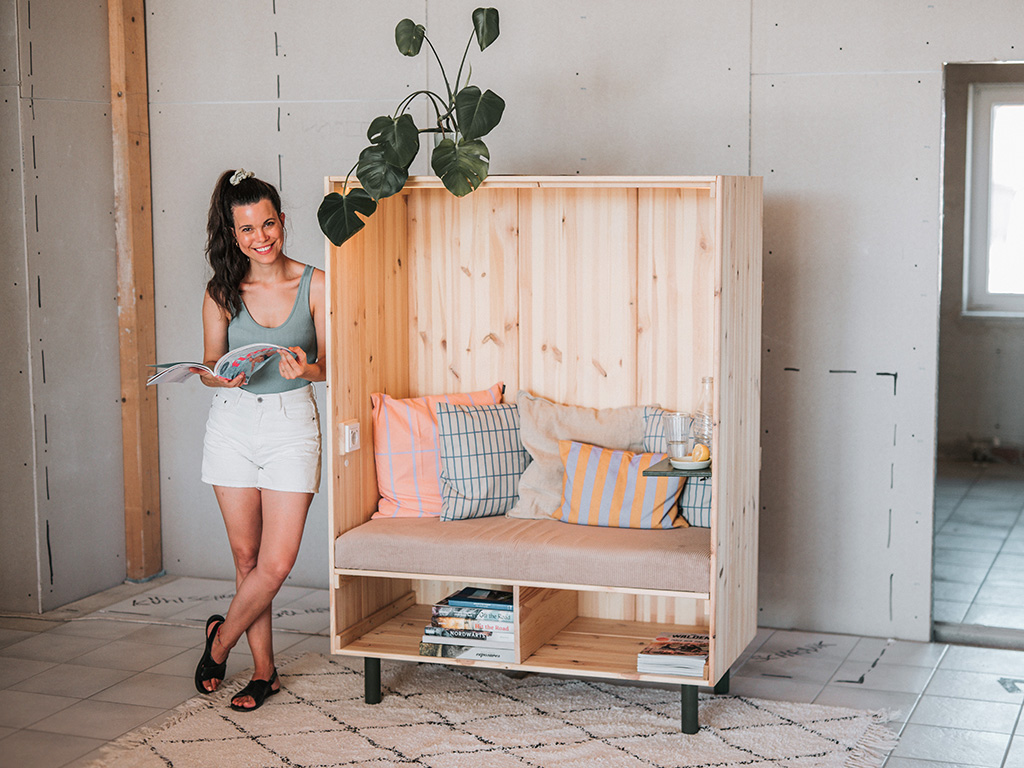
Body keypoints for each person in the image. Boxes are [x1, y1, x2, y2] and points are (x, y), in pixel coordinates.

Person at [191, 168, 326, 712]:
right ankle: (264, 674)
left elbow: (334, 364)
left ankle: (219, 643)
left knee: (276, 563)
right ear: (232, 233)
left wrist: (308, 370)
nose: (261, 238)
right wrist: (215, 375)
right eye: (247, 229)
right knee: (247, 560)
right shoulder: (222, 291)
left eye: (268, 224)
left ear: (282, 220)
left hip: (293, 425)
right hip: (232, 423)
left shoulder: (317, 283)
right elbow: (205, 365)